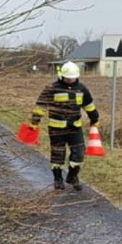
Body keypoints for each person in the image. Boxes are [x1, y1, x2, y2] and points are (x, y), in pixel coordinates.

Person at [30, 61, 99, 191]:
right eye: (68, 78)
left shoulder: (82, 89)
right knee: (58, 155)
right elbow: (41, 106)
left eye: (73, 78)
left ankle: (72, 176)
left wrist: (94, 119)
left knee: (79, 153)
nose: (70, 80)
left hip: (75, 128)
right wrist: (34, 122)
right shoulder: (51, 88)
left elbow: (89, 106)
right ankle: (58, 179)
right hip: (56, 129)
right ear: (62, 76)